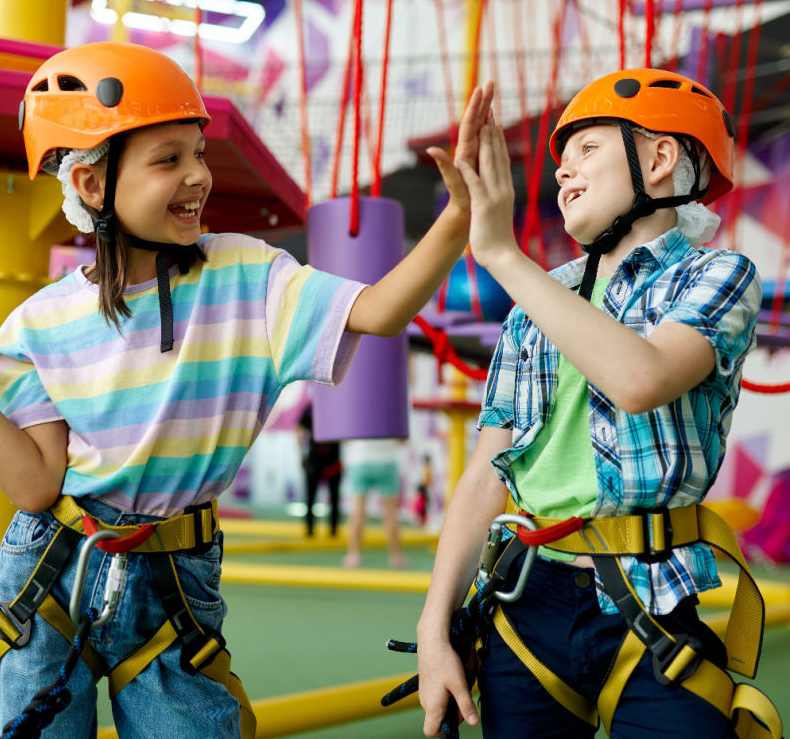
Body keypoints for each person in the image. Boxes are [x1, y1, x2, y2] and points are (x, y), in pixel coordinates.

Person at [0, 42, 495, 738]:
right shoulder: (34, 327)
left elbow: (378, 310)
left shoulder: (249, 277)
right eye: (168, 159)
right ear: (90, 185)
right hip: (51, 567)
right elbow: (36, 486)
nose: (198, 175)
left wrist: (458, 220)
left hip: (174, 573)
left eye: (197, 152)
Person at [416, 69, 778, 739]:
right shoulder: (535, 304)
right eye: (561, 161)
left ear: (661, 159)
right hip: (524, 598)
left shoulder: (716, 275)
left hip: (652, 595)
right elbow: (484, 477)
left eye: (587, 149)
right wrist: (434, 625)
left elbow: (640, 379)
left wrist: (500, 255)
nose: (563, 172)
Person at [341, 438, 406, 568]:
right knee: (390, 513)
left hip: (360, 460)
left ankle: (353, 555)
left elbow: (345, 438)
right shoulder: (392, 415)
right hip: (386, 461)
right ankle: (396, 556)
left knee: (358, 511)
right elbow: (403, 439)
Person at [297, 402, 342, 537]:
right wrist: (301, 453)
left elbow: (299, 431)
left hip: (331, 461)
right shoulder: (311, 408)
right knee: (313, 498)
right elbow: (299, 430)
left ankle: (329, 531)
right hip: (316, 460)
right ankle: (314, 530)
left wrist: (301, 453)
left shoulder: (333, 407)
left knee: (331, 498)